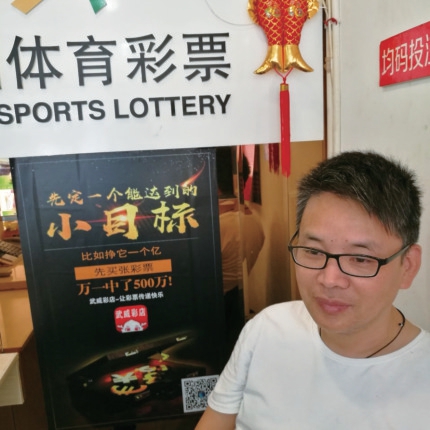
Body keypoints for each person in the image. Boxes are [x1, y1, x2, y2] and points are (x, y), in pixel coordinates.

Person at [195, 151, 430, 429]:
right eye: (313, 251)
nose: (329, 280)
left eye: (360, 258)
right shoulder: (267, 330)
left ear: (408, 266)